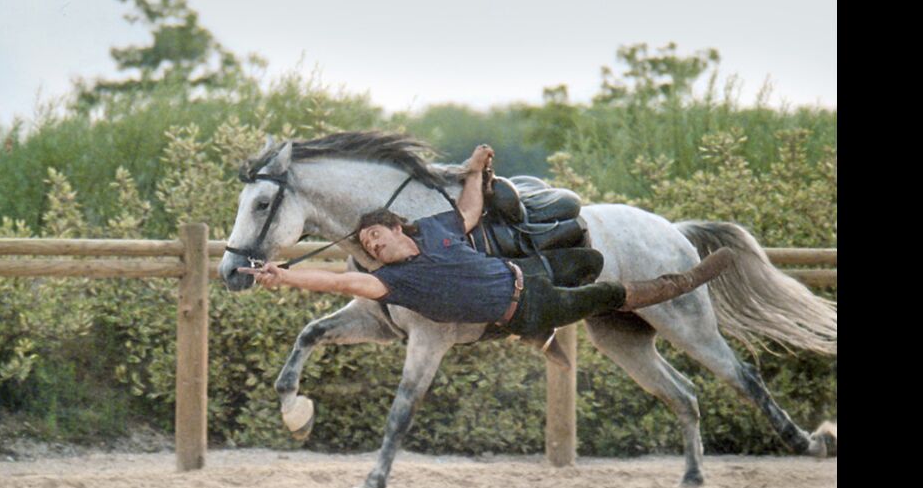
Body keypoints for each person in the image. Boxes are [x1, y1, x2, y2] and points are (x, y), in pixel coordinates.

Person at [239, 145, 734, 348]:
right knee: (605, 295)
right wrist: (284, 276)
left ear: (396, 229)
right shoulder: (392, 282)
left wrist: (475, 169)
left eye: (375, 236)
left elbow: (471, 210)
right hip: (523, 315)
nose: (372, 244)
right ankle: (687, 279)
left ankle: (684, 279)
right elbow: (339, 280)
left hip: (536, 289)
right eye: (367, 243)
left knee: (599, 275)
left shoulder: (437, 231)